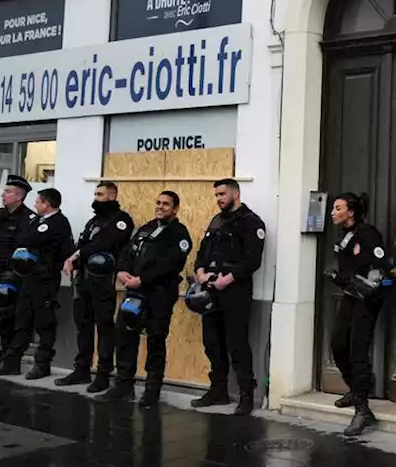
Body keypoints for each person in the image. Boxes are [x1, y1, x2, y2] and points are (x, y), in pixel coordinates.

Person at [100, 190, 192, 409]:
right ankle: (123, 386)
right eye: (158, 203)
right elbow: (128, 252)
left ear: (175, 209)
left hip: (158, 295)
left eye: (166, 204)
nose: (160, 207)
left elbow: (171, 264)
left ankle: (152, 391)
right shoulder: (146, 228)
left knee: (155, 341)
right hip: (134, 294)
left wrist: (143, 279)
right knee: (124, 336)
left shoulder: (179, 234)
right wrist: (122, 271)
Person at [192, 178, 265, 415]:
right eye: (216, 195)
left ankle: (246, 395)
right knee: (212, 342)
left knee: (237, 344)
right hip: (210, 291)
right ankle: (218, 390)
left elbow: (252, 260)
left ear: (235, 194)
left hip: (235, 292)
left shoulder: (251, 222)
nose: (218, 199)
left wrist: (228, 279)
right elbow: (203, 252)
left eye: (222, 194)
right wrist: (200, 271)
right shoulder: (216, 221)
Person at [57, 182, 135, 392]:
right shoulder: (94, 221)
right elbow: (84, 243)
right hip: (83, 278)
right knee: (83, 325)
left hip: (104, 280)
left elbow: (104, 243)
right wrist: (73, 259)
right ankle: (81, 369)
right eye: (95, 193)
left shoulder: (121, 220)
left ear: (111, 196)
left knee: (104, 327)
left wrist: (75, 256)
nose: (95, 197)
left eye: (100, 194)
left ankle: (103, 373)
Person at [0, 186, 73, 379]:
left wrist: (30, 240)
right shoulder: (37, 220)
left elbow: (32, 239)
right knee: (23, 320)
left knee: (44, 324)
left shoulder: (58, 222)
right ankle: (12, 362)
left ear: (47, 203)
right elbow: (22, 239)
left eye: (38, 201)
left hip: (45, 279)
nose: (35, 204)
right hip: (28, 278)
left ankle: (42, 364)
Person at [325, 193, 387, 437]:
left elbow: (378, 268)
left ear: (350, 212)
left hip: (367, 299)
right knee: (338, 344)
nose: (332, 212)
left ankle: (362, 411)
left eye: (337, 208)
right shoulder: (345, 234)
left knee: (358, 350)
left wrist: (348, 279)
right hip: (351, 296)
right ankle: (355, 388)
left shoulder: (369, 234)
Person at [0, 176, 38, 375]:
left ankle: (10, 359)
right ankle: (0, 355)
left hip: (12, 275)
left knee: (12, 318)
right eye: (4, 192)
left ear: (19, 197)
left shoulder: (28, 219)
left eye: (8, 192)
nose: (3, 195)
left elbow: (24, 247)